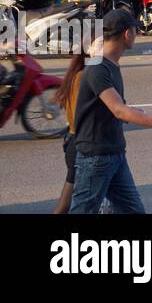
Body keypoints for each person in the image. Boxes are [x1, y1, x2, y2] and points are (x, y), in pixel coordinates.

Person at [69, 10, 152, 214]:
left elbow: (114, 108)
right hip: (96, 156)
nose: (137, 34)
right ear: (127, 34)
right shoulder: (98, 68)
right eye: (135, 30)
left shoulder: (110, 65)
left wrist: (132, 111)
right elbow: (119, 110)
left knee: (132, 211)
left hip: (114, 153)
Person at [52, 43, 88, 214]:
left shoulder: (76, 74)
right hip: (80, 143)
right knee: (67, 204)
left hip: (73, 140)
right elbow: (83, 115)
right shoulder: (83, 77)